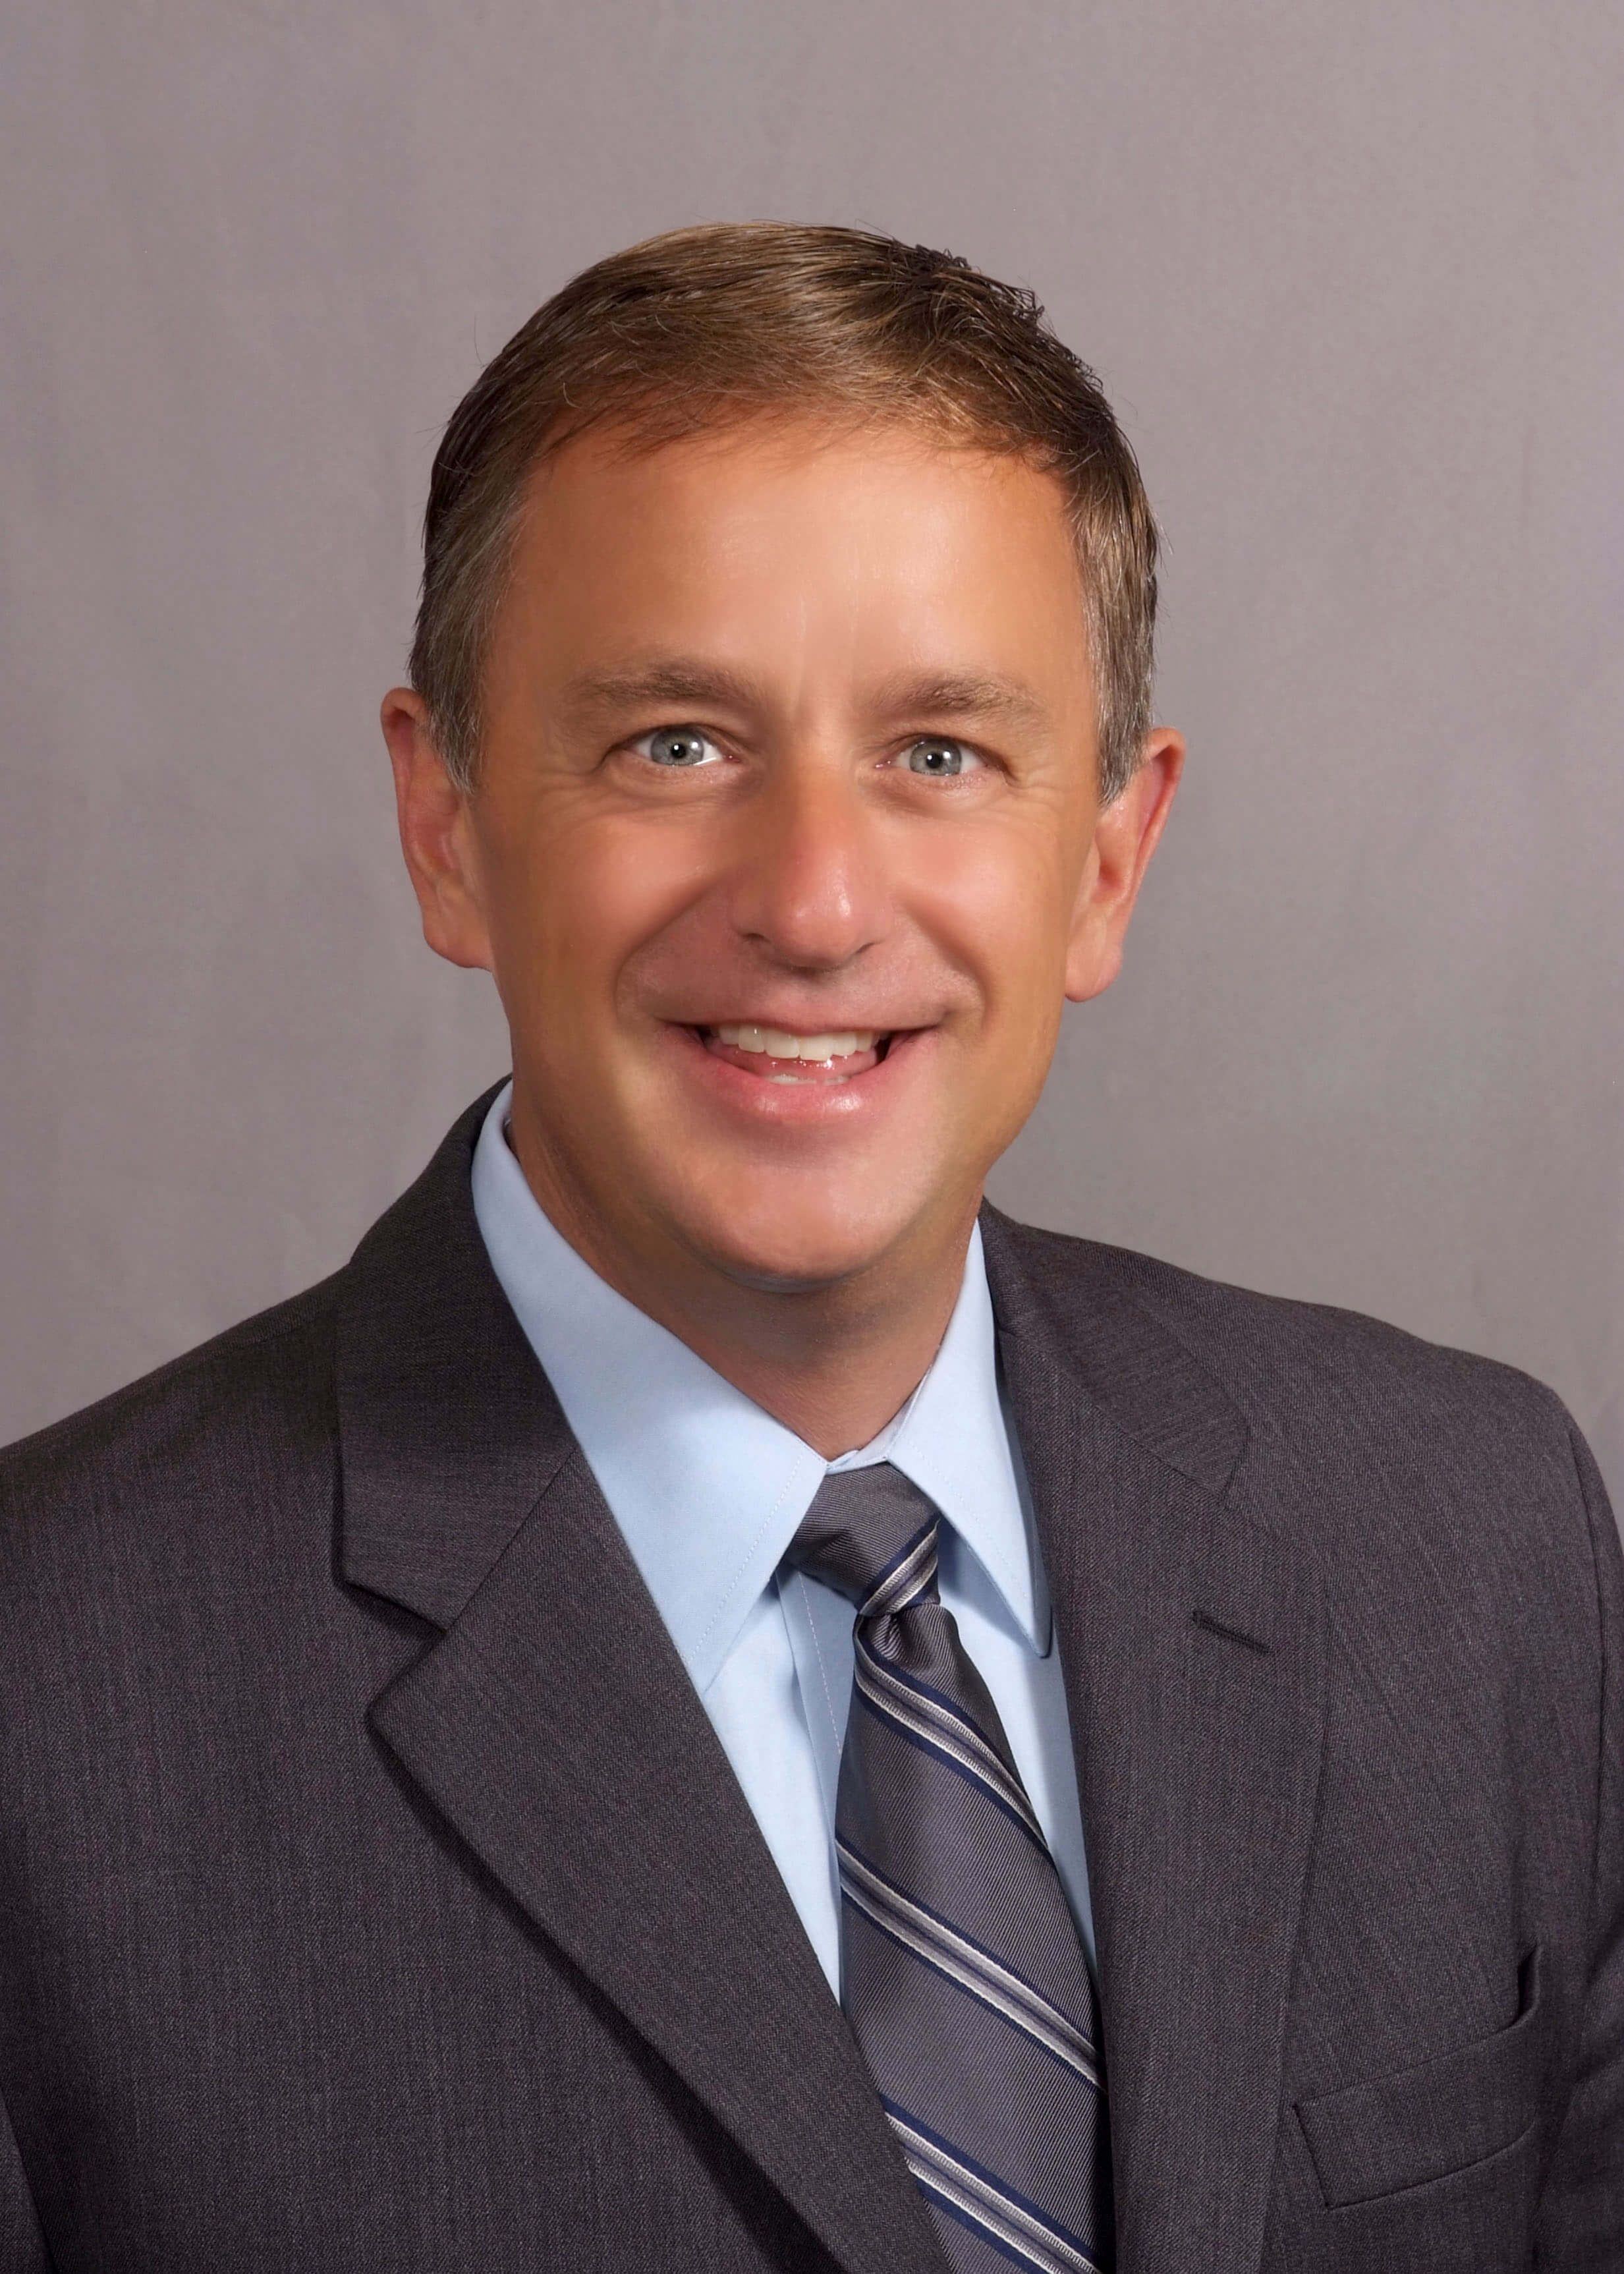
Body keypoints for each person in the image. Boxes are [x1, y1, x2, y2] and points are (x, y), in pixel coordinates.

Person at [0, 223, 1617, 2274]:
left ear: (1105, 859)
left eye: (940, 754)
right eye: (676, 742)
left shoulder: (1465, 1546)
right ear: (445, 822)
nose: (816, 901)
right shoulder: (51, 1700)